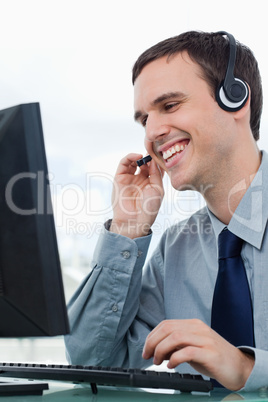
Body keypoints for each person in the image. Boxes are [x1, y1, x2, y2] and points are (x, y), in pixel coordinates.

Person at [64, 31, 268, 392]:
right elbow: (90, 365)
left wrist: (246, 368)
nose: (153, 133)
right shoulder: (176, 251)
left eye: (170, 105)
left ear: (235, 100)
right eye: (144, 119)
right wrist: (127, 228)